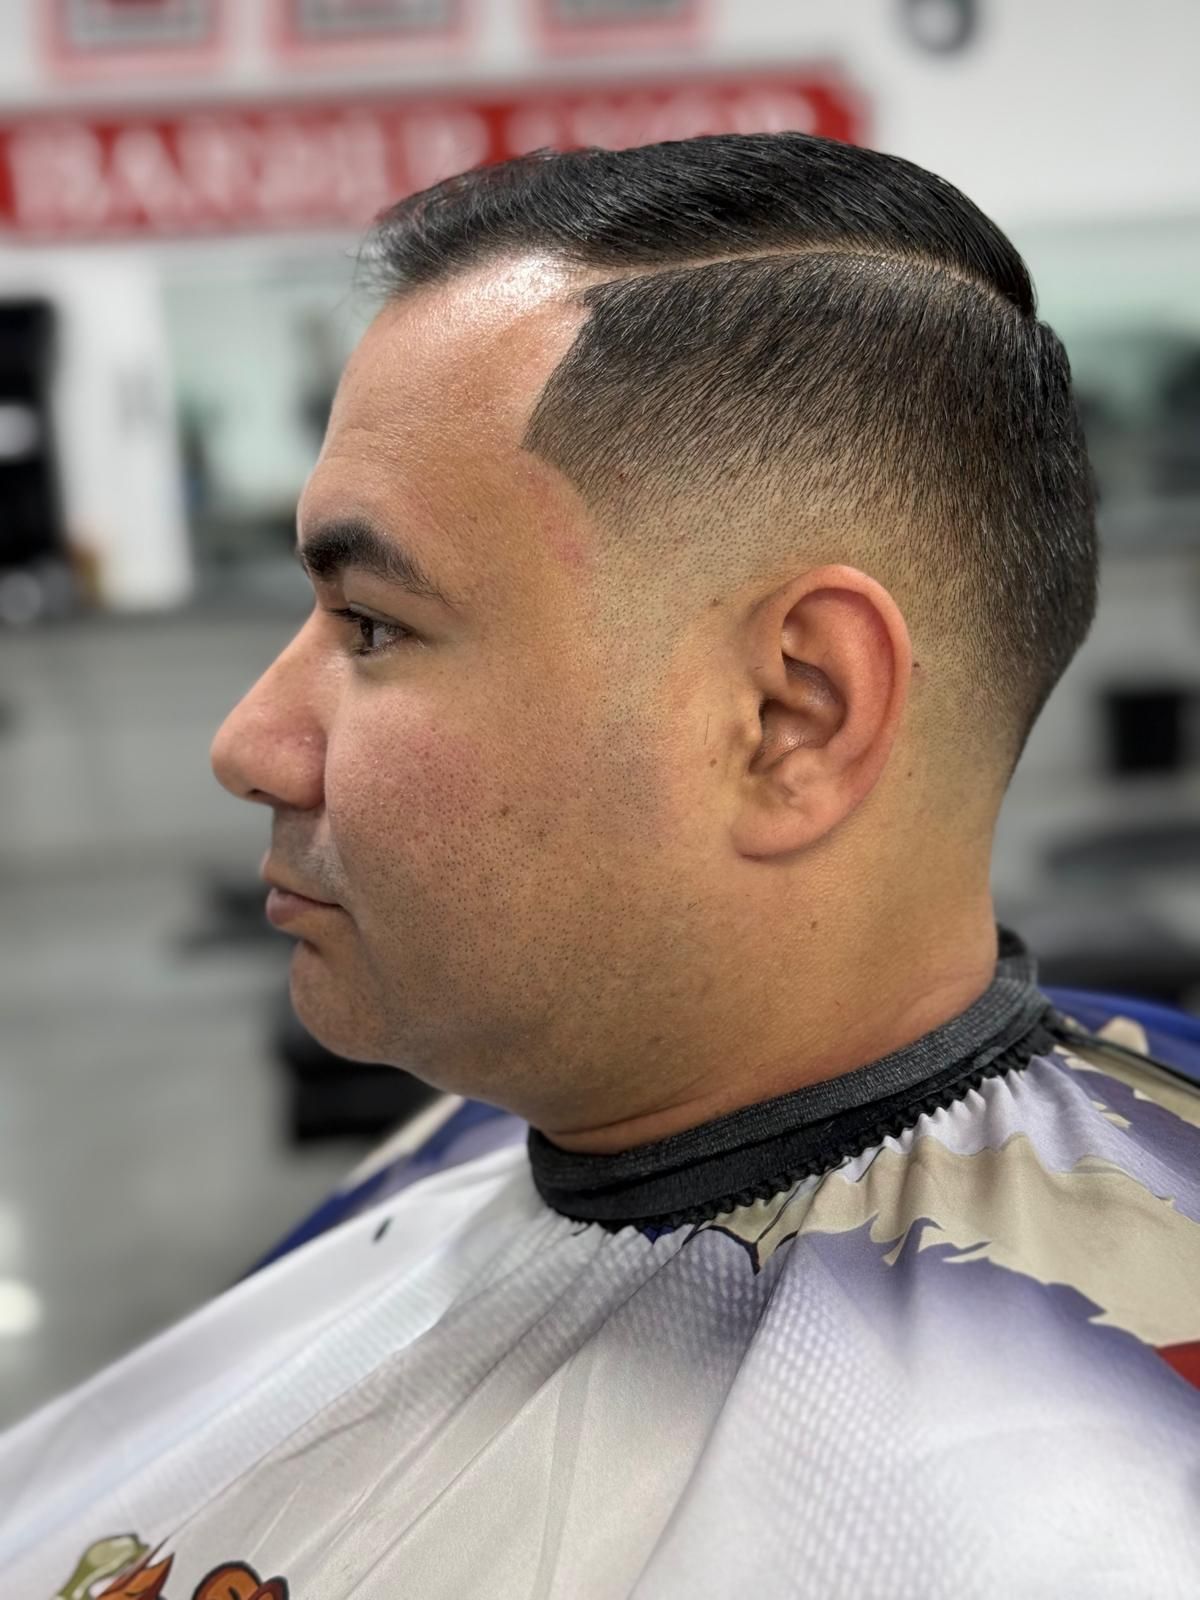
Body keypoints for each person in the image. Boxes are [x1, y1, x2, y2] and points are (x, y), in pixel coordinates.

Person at [3, 132, 1198, 1599]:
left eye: (372, 625)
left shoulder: (1069, 1536)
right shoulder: (483, 1130)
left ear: (791, 716)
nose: (249, 745)